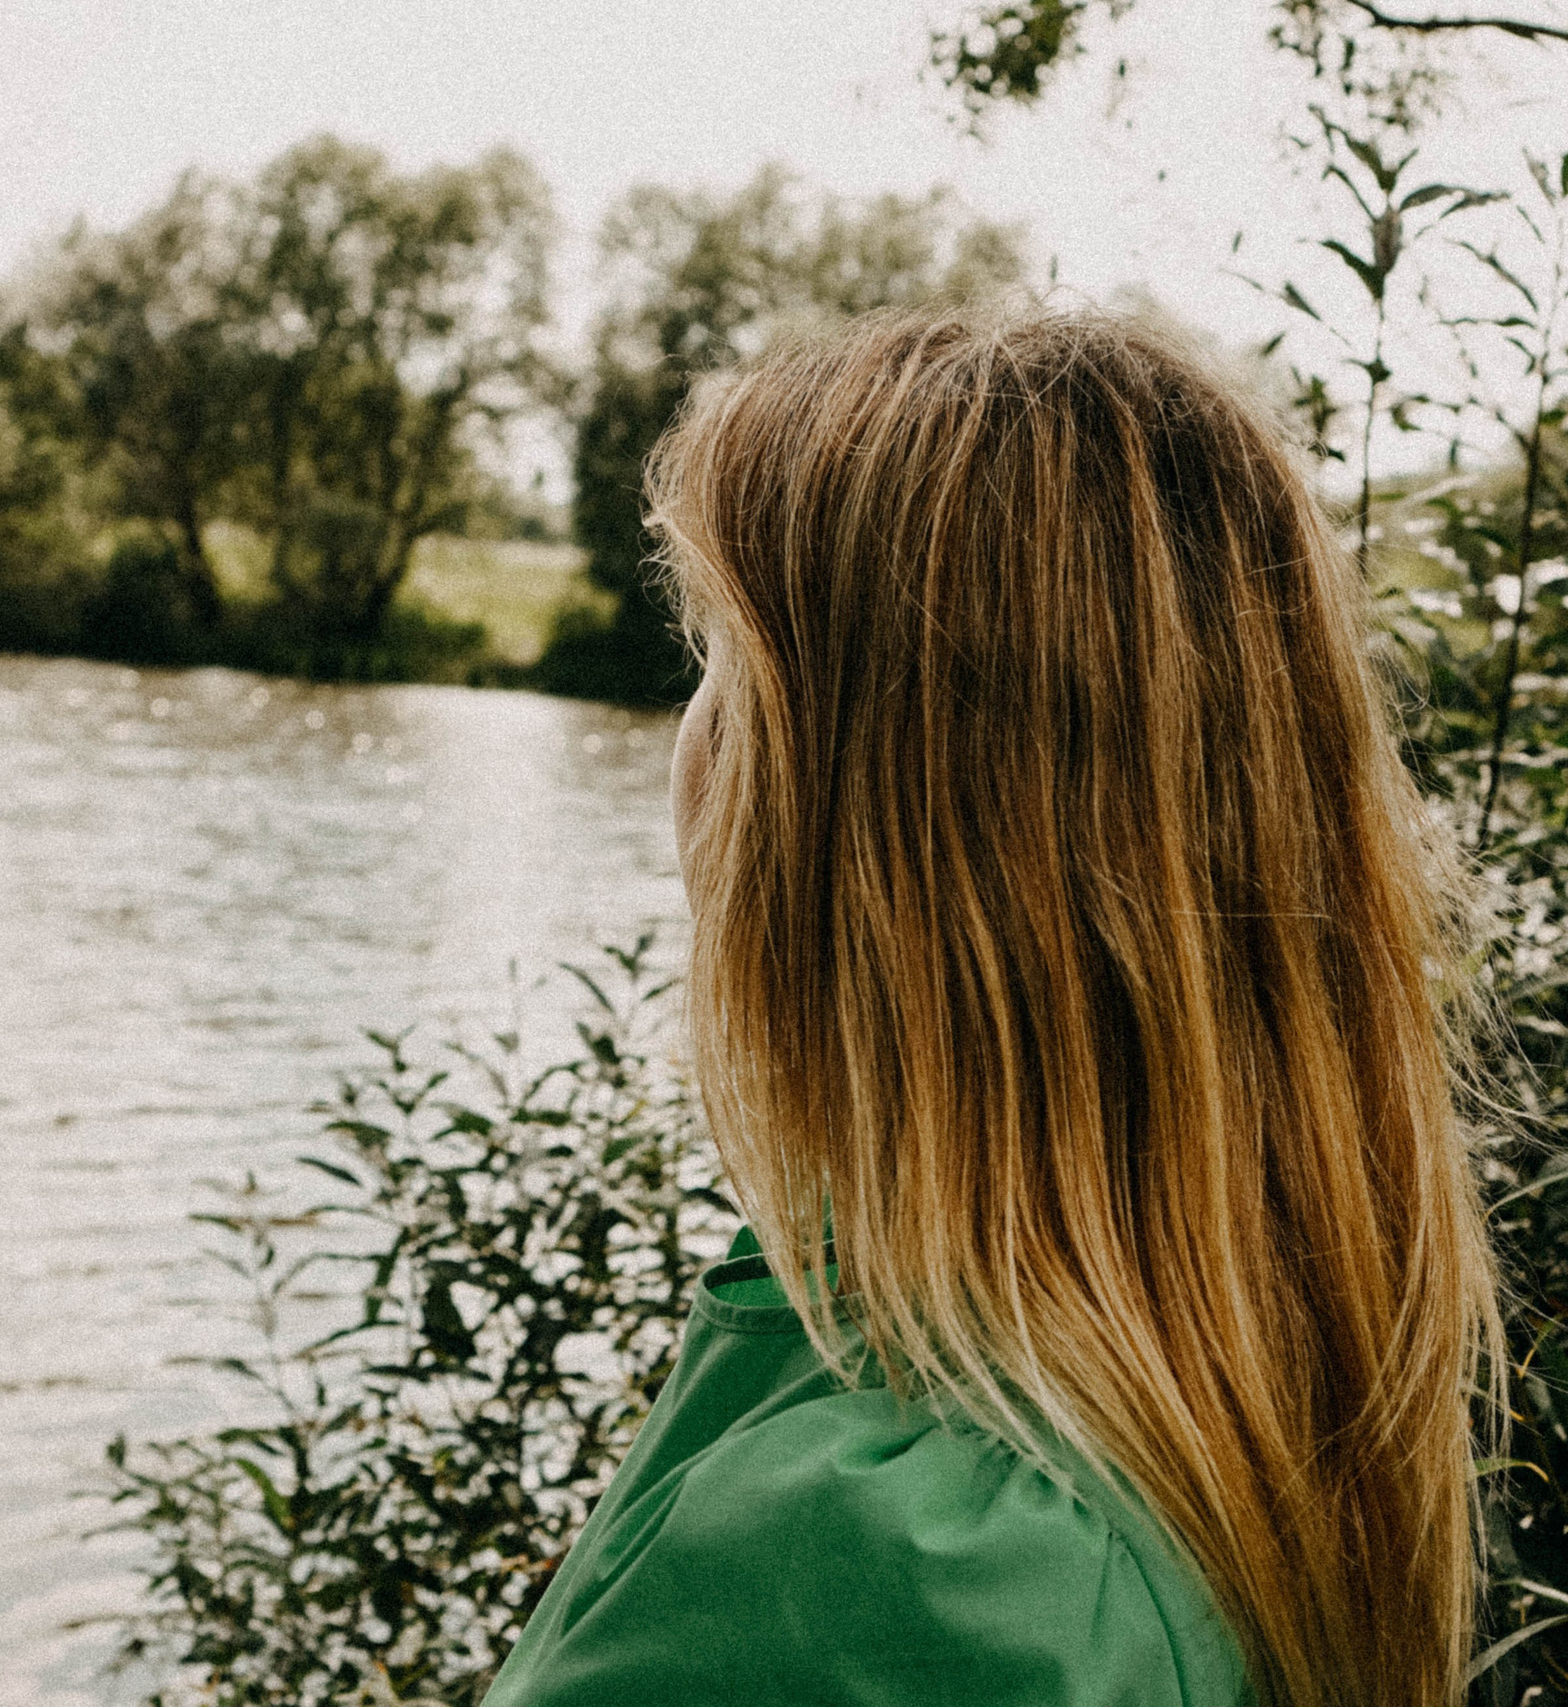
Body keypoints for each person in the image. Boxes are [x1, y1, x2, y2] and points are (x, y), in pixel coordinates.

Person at [480, 308, 1504, 1707]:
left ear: (864, 814)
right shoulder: (1247, 1383)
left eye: (718, 657)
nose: (690, 741)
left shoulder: (885, 1576)